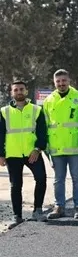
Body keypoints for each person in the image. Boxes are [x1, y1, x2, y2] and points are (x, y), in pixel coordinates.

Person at [0, 80, 49, 227]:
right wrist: (1, 154)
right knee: (16, 185)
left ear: (26, 91)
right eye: (16, 90)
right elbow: (0, 134)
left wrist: (37, 149)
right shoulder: (4, 112)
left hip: (32, 153)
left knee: (41, 179)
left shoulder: (36, 110)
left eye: (21, 89)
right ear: (11, 92)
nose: (19, 92)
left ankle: (37, 211)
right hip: (13, 154)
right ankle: (17, 216)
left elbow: (42, 132)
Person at [43, 69, 78, 220]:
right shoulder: (48, 100)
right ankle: (59, 207)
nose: (61, 84)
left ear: (69, 81)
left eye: (64, 81)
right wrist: (46, 148)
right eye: (58, 81)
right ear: (54, 82)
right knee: (58, 180)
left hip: (75, 146)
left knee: (77, 178)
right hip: (56, 147)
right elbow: (46, 124)